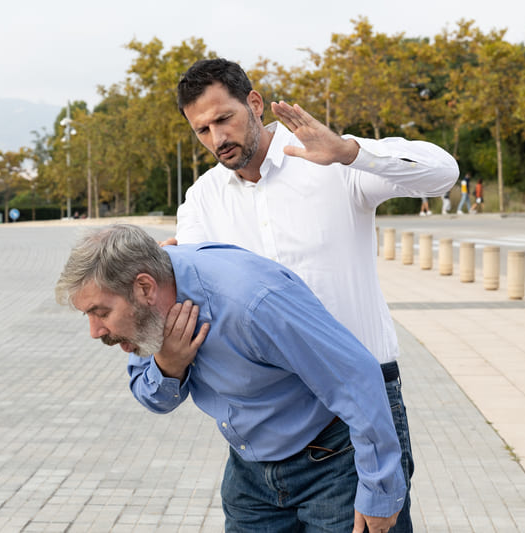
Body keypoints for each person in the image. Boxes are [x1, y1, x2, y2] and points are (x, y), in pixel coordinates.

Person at [160, 58, 458, 533]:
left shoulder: (328, 161)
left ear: (254, 104)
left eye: (224, 119)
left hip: (358, 413)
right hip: (266, 428)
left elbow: (443, 173)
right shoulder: (203, 199)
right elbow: (197, 296)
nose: (217, 139)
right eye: (202, 130)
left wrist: (352, 153)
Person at [55, 224, 406, 533]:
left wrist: (381, 491)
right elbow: (153, 398)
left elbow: (357, 377)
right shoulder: (149, 313)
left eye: (101, 312)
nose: (94, 330)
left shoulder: (251, 300)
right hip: (250, 473)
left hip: (332, 463)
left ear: (145, 288)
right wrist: (169, 365)